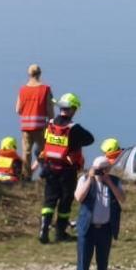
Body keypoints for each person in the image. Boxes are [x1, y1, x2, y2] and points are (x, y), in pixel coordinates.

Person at [38, 93, 95, 244]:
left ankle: (43, 230)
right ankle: (60, 233)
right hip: (67, 170)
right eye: (74, 109)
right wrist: (75, 145)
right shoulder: (74, 128)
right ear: (71, 110)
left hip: (49, 167)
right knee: (65, 201)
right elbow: (90, 139)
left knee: (49, 201)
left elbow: (45, 142)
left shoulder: (49, 124)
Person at [73, 152, 127, 270]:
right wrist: (91, 179)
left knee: (102, 263)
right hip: (87, 228)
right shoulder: (84, 179)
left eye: (104, 169)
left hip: (105, 229)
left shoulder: (114, 181)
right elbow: (79, 197)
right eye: (98, 169)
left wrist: (109, 181)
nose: (101, 172)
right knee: (83, 263)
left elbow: (122, 198)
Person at [17, 65, 54, 174]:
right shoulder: (45, 89)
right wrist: (51, 123)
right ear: (40, 74)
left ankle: (26, 176)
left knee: (26, 152)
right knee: (45, 150)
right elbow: (49, 109)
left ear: (29, 74)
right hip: (40, 126)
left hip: (25, 127)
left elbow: (18, 109)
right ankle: (46, 173)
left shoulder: (23, 90)